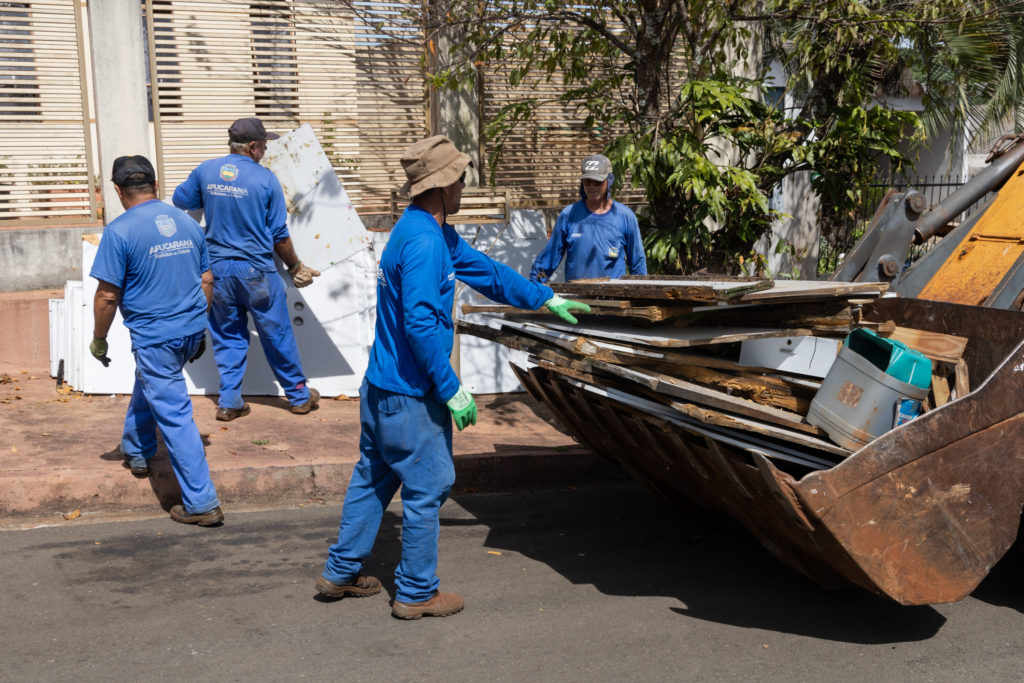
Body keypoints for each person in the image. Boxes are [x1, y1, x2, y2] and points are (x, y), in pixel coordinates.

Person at [315, 135, 591, 619]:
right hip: (411, 395)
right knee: (428, 489)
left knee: (373, 479)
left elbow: (486, 271)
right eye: (461, 178)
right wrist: (451, 388)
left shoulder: (427, 231)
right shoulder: (424, 243)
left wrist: (542, 298)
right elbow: (421, 324)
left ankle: (340, 572)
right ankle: (417, 594)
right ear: (443, 186)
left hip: (381, 389)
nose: (465, 185)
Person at [89, 155, 223, 526]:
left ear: (117, 191)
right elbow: (208, 279)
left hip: (155, 336)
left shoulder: (120, 231)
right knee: (148, 380)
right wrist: (198, 323)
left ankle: (202, 503)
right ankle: (138, 449)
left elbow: (107, 296)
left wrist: (99, 338)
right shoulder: (186, 222)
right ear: (156, 185)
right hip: (190, 331)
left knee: (176, 415)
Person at [172, 116, 320, 421]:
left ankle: (229, 402)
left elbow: (180, 199)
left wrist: (212, 193)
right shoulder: (266, 180)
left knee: (227, 335)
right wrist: (295, 266)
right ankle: (299, 397)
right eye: (264, 145)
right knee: (276, 334)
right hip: (256, 272)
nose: (266, 150)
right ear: (252, 147)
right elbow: (279, 235)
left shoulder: (206, 170)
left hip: (218, 272)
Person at [529, 153, 647, 283]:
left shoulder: (625, 217)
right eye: (587, 182)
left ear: (609, 181)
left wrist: (639, 292)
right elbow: (550, 257)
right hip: (578, 298)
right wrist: (534, 286)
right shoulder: (569, 215)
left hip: (613, 299)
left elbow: (637, 263)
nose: (592, 187)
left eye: (597, 182)